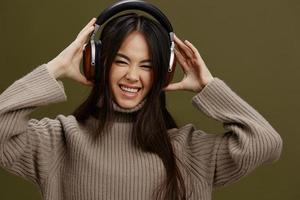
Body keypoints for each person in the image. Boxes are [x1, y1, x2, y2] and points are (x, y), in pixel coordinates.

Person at [0, 10, 282, 200]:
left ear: (163, 73)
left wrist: (208, 87)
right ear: (97, 63)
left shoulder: (188, 151)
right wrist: (54, 69)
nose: (132, 76)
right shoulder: (59, 141)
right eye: (122, 61)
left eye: (146, 66)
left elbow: (265, 142)